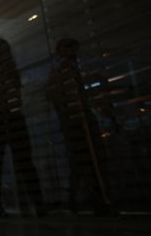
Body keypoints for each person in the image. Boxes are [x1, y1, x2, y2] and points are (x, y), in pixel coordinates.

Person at [0, 38, 45, 217]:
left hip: (10, 119)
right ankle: (4, 203)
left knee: (18, 162)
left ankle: (34, 202)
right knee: (2, 164)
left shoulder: (6, 70)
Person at [46, 38, 112, 214]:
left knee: (91, 160)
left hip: (83, 121)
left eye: (72, 49)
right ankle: (79, 201)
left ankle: (90, 200)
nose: (70, 54)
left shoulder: (80, 72)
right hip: (73, 123)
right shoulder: (60, 75)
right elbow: (57, 100)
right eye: (66, 50)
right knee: (80, 162)